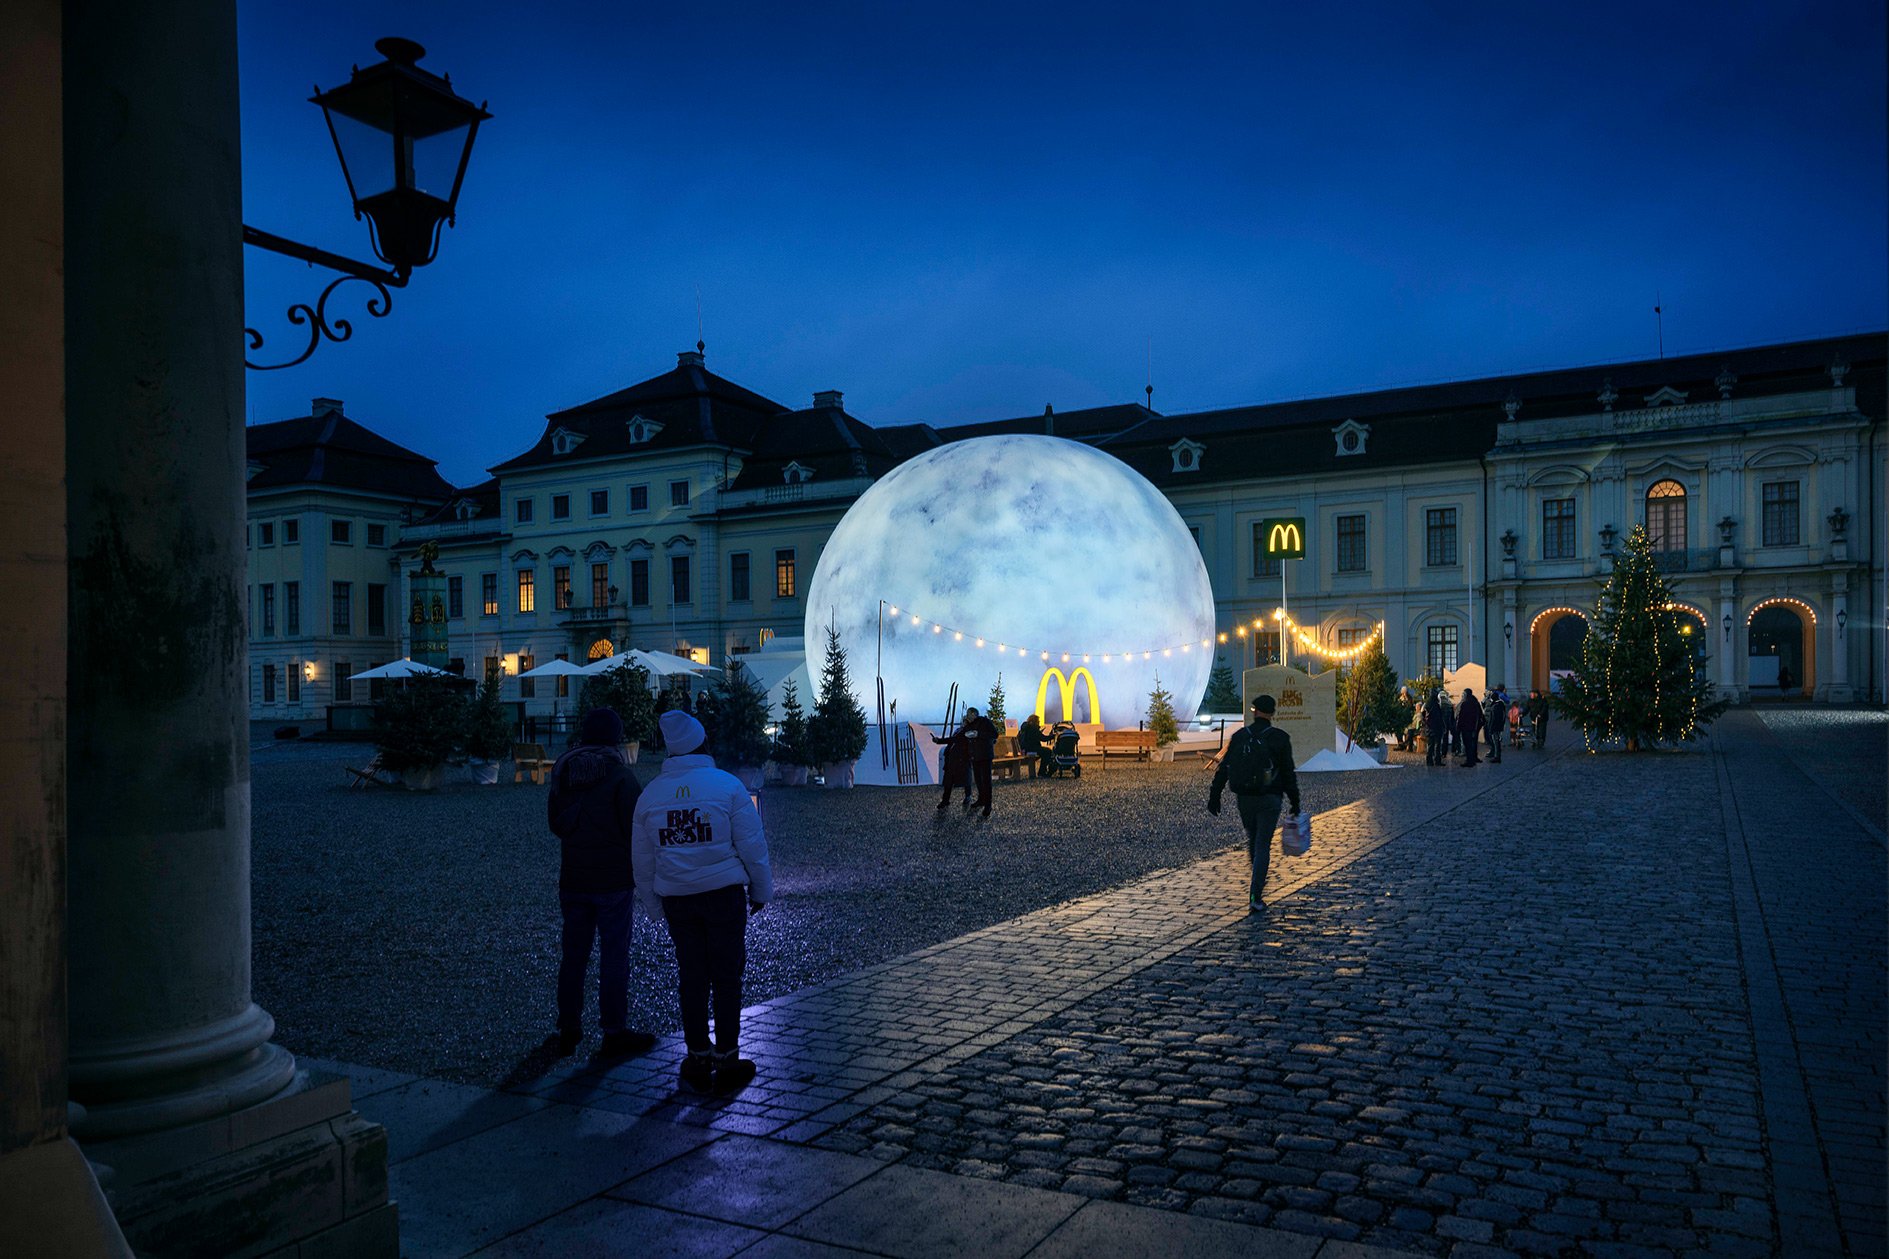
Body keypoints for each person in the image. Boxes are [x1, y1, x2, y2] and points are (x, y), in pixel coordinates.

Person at [632, 709, 773, 1094]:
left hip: (678, 898)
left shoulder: (650, 795)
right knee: (727, 977)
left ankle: (697, 1056)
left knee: (691, 976)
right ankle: (727, 1057)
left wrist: (653, 905)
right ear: (701, 743)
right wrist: (761, 891)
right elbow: (753, 847)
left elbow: (642, 861)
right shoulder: (727, 786)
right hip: (723, 895)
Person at [546, 707, 653, 1058]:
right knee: (614, 955)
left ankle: (568, 1026)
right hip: (613, 881)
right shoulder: (621, 776)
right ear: (615, 737)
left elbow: (556, 823)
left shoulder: (564, 772)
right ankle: (613, 1030)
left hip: (574, 879)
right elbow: (636, 829)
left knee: (574, 955)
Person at [1208, 694, 1301, 912]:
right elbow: (1288, 773)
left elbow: (1225, 767)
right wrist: (1295, 802)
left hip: (1245, 798)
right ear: (1272, 713)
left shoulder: (1241, 736)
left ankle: (1256, 880)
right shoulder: (1279, 738)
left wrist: (1215, 795)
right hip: (1270, 798)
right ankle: (1255, 894)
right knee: (1262, 844)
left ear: (1255, 711)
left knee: (1253, 838)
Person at [961, 705, 1000, 817]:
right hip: (975, 756)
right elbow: (965, 735)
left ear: (974, 714)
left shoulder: (985, 722)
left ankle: (988, 805)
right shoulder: (969, 724)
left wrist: (979, 734)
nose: (967, 716)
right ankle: (981, 799)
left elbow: (994, 734)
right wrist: (965, 726)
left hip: (985, 755)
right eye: (967, 714)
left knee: (986, 781)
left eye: (969, 714)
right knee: (978, 780)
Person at [931, 721, 973, 810]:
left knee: (966, 779)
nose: (963, 724)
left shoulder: (967, 733)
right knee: (948, 781)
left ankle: (968, 796)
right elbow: (952, 740)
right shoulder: (958, 731)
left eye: (965, 723)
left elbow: (953, 740)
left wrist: (939, 741)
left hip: (962, 760)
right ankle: (945, 800)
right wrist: (938, 741)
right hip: (952, 760)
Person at [1457, 688, 1485, 767]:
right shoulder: (1475, 702)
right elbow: (1480, 714)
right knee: (1473, 743)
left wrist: (1458, 727)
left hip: (1467, 727)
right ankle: (1473, 758)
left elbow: (1461, 717)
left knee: (1468, 744)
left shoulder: (1465, 703)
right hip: (1474, 727)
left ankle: (1469, 761)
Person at [1017, 712, 1049, 779]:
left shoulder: (1023, 729)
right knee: (1047, 752)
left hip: (1024, 750)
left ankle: (1042, 772)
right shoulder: (1033, 728)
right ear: (1034, 721)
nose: (1039, 723)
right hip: (1031, 750)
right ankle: (1042, 772)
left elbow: (1019, 739)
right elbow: (1043, 739)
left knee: (1044, 751)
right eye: (1038, 721)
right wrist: (1053, 736)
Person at [1424, 690, 1449, 766]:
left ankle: (1429, 761)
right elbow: (1439, 717)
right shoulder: (1436, 705)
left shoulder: (1428, 704)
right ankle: (1437, 761)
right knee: (1437, 745)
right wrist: (1443, 726)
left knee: (1430, 745)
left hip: (1429, 727)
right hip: (1436, 728)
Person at [1484, 685, 1507, 764]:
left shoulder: (1496, 706)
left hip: (1495, 726)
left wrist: (1491, 727)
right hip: (1496, 726)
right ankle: (1496, 755)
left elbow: (1494, 718)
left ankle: (1497, 757)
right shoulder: (1499, 704)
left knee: (1496, 741)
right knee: (1495, 741)